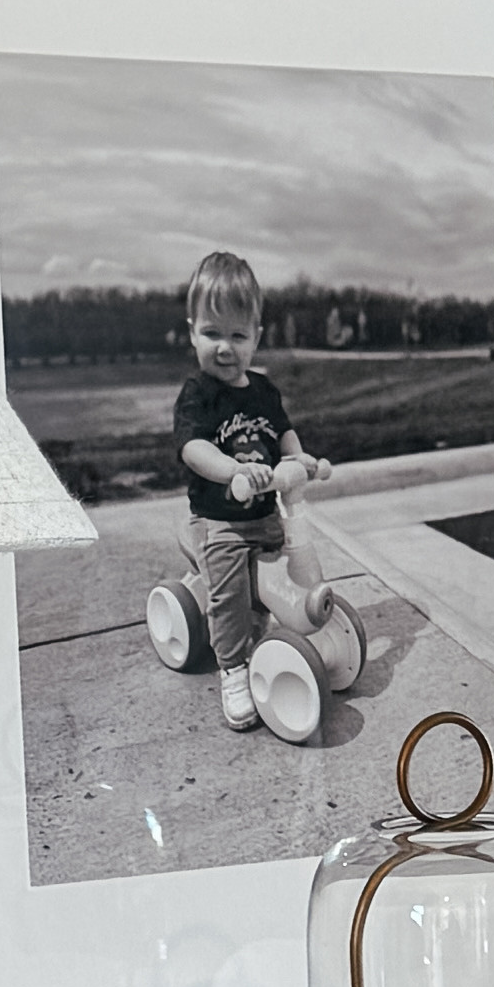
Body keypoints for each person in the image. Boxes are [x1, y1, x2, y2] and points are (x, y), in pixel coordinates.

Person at [174, 246, 316, 737]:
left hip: (266, 516)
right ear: (192, 330)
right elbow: (193, 448)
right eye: (212, 334)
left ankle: (289, 628)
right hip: (221, 522)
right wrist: (231, 468)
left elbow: (284, 433)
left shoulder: (263, 390)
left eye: (238, 335)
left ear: (256, 336)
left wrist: (299, 459)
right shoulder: (198, 394)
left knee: (290, 569)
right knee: (232, 590)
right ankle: (232, 667)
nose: (225, 347)